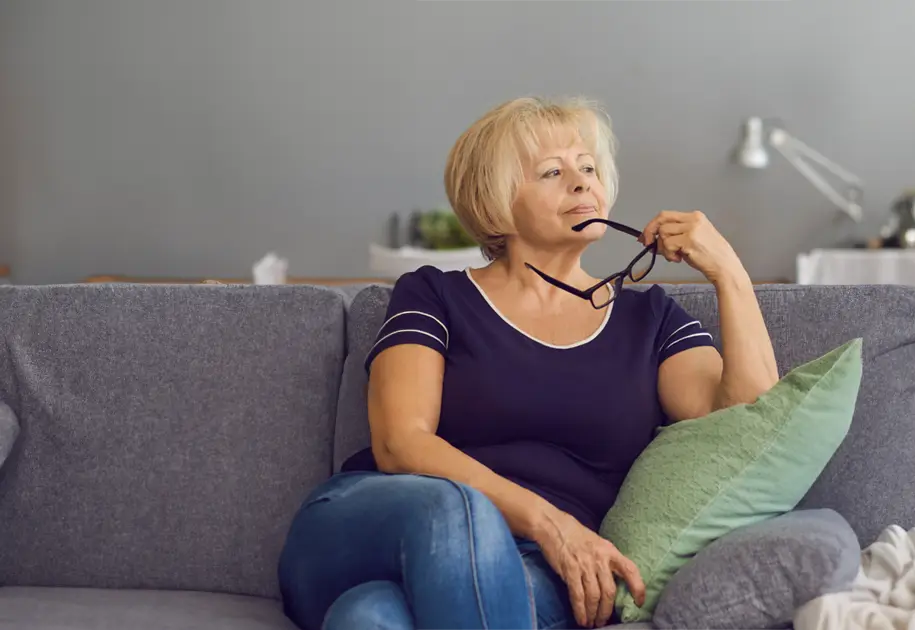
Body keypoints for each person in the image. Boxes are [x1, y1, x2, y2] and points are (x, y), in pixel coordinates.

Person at [277, 96, 780, 630]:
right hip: (375, 522)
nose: (582, 182)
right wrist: (553, 525)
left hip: (533, 572)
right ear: (496, 203)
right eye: (551, 171)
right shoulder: (432, 295)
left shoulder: (650, 320)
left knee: (370, 618)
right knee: (457, 511)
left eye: (588, 167)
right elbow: (401, 443)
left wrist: (729, 271)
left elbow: (749, 426)